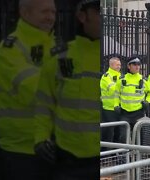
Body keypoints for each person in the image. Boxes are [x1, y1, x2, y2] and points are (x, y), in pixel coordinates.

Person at [33, 0, 101, 179]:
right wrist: (41, 137)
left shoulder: (113, 60)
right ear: (82, 16)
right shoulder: (59, 57)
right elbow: (44, 102)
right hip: (67, 158)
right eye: (99, 12)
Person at [0, 0, 56, 179]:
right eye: (44, 12)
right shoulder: (10, 49)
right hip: (22, 151)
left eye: (53, 12)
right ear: (25, 13)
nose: (50, 17)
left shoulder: (55, 46)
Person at [114, 56, 150, 144]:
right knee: (123, 137)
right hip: (124, 113)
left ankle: (138, 156)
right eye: (134, 64)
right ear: (129, 66)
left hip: (138, 113)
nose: (137, 67)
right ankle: (124, 157)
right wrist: (116, 105)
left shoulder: (143, 80)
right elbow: (116, 94)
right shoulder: (122, 80)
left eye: (138, 64)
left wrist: (147, 101)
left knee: (139, 137)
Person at [100, 55, 121, 150]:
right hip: (109, 109)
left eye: (120, 65)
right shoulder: (106, 77)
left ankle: (115, 154)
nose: (119, 66)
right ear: (111, 65)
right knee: (108, 133)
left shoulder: (121, 76)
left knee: (118, 133)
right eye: (117, 65)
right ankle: (105, 156)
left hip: (118, 108)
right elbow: (113, 89)